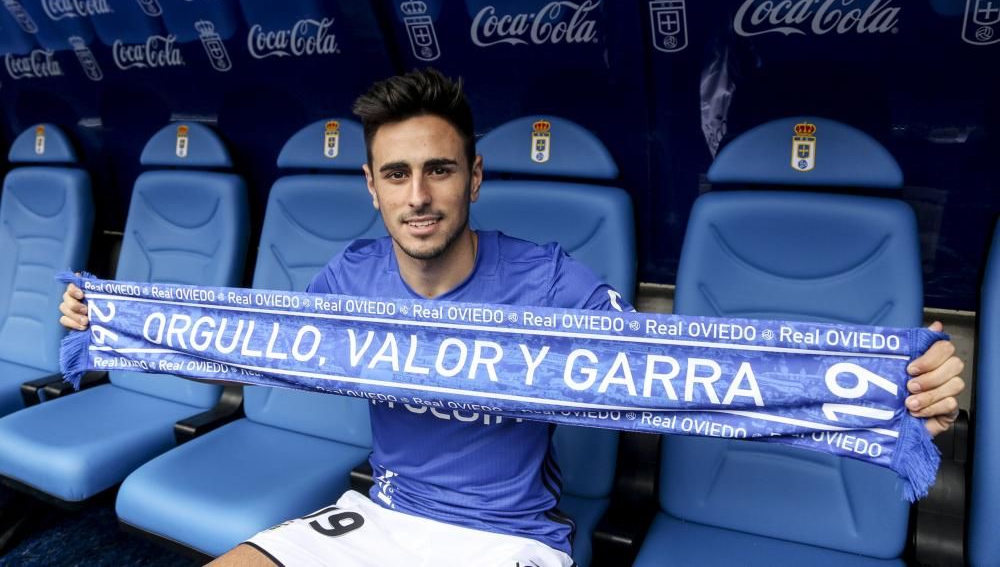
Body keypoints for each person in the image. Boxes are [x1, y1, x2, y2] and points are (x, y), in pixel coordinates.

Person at [59, 68, 965, 566]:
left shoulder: (552, 280)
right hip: (385, 511)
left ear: (475, 177)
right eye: (398, 175)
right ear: (371, 188)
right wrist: (107, 316)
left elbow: (673, 366)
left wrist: (903, 389)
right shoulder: (348, 277)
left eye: (440, 170)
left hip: (509, 540)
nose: (420, 197)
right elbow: (247, 337)